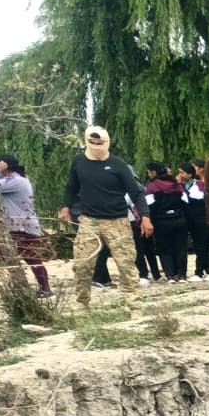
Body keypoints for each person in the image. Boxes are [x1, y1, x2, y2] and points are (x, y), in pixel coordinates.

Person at [61, 125, 150, 317]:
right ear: (86, 141)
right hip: (88, 221)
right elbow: (71, 186)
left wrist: (145, 216)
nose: (95, 146)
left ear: (106, 142)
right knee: (82, 264)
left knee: (126, 264)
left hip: (117, 221)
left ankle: (134, 306)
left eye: (99, 143)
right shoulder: (78, 162)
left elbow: (137, 192)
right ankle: (82, 305)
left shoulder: (118, 165)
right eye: (92, 142)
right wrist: (65, 206)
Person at [0, 154, 51, 296]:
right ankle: (36, 288)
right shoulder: (12, 179)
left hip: (23, 226)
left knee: (32, 257)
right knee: (28, 257)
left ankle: (45, 289)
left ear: (4, 165)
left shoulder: (16, 181)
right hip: (17, 225)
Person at [144, 162, 189, 282]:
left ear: (154, 172)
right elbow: (186, 201)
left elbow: (148, 206)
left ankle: (170, 275)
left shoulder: (152, 186)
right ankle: (182, 275)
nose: (148, 174)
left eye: (149, 172)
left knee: (165, 248)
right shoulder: (176, 184)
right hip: (180, 219)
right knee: (181, 248)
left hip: (162, 221)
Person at [180, 162, 209, 279]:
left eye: (182, 172)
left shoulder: (198, 185)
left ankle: (203, 271)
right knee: (198, 245)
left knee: (202, 245)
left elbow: (197, 200)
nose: (180, 175)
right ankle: (204, 270)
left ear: (190, 174)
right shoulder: (183, 186)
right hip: (190, 220)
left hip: (200, 219)